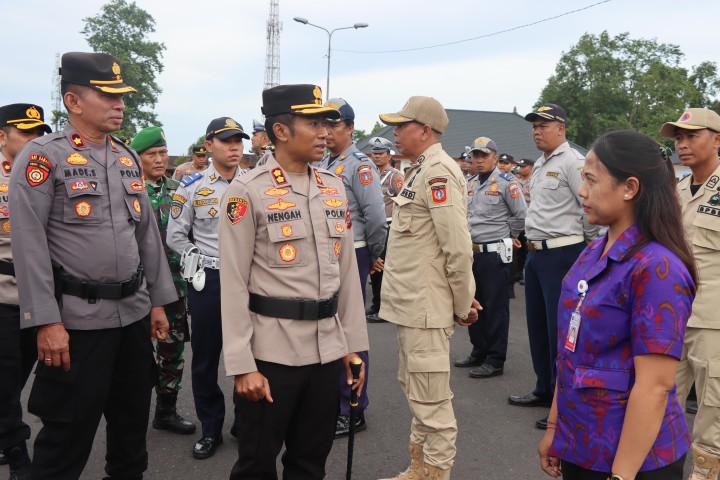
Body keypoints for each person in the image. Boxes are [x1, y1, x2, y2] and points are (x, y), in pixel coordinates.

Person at [9, 51, 176, 480]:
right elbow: (28, 247)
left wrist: (158, 302)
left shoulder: (125, 156)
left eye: (121, 96)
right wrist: (45, 322)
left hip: (133, 318)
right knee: (66, 437)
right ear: (74, 101)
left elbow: (146, 238)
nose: (119, 104)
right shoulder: (43, 157)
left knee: (130, 428)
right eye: (108, 95)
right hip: (77, 324)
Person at [218, 83, 369, 479]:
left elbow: (348, 274)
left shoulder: (333, 187)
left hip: (326, 350)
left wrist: (352, 347)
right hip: (271, 354)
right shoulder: (246, 191)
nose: (324, 132)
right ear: (281, 131)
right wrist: (241, 363)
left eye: (327, 123)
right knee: (256, 462)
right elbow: (232, 281)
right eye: (314, 123)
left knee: (310, 461)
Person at [538, 130, 697, 480]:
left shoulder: (658, 268)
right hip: (583, 443)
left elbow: (654, 386)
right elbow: (570, 352)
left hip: (633, 458)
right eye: (583, 179)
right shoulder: (594, 251)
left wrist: (622, 475)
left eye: (591, 180)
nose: (582, 191)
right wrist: (555, 429)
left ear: (630, 188)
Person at [377, 96, 479, 480]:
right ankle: (418, 469)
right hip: (414, 305)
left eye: (402, 126)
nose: (395, 133)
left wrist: (462, 301)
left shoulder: (438, 172)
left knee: (432, 401)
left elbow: (456, 246)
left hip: (425, 308)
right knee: (418, 392)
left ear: (425, 130)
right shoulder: (420, 170)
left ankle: (435, 474)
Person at [509, 103, 600, 432]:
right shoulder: (540, 165)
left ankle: (563, 401)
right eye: (534, 125)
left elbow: (590, 208)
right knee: (537, 326)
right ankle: (544, 388)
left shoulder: (574, 162)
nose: (536, 130)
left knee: (561, 331)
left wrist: (585, 252)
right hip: (536, 255)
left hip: (563, 254)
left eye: (543, 125)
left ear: (561, 128)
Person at [167, 116, 249, 459]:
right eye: (227, 141)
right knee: (205, 359)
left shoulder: (256, 182)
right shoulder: (191, 186)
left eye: (239, 142)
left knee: (252, 356)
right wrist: (195, 258)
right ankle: (211, 428)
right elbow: (174, 235)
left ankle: (245, 423)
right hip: (210, 280)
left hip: (250, 280)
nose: (234, 148)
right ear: (209, 144)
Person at [319, 97, 387, 437]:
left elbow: (376, 217)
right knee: (330, 326)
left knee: (350, 330)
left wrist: (374, 253)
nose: (326, 131)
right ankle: (336, 399)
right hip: (328, 254)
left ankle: (353, 407)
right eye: (323, 124)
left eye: (334, 124)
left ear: (349, 128)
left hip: (354, 251)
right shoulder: (325, 162)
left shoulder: (359, 165)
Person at [662, 107, 720, 479]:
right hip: (672, 314)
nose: (683, 145)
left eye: (692, 136)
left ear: (717, 139)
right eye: (679, 138)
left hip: (713, 322)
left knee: (712, 415)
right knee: (662, 402)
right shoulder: (677, 189)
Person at [130, 126, 196, 436]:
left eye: (163, 153)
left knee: (173, 350)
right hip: (138, 289)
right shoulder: (129, 189)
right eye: (151, 154)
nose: (159, 159)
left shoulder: (179, 189)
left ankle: (165, 411)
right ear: (138, 157)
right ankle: (131, 413)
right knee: (137, 354)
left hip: (175, 287)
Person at [0, 103, 51, 479]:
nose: (37, 140)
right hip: (2, 294)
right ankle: (18, 455)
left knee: (19, 376)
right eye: (27, 133)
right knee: (5, 379)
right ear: (3, 136)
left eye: (40, 133)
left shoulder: (45, 174)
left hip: (40, 296)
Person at [454, 136, 526, 379]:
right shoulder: (471, 182)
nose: (479, 160)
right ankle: (479, 350)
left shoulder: (507, 183)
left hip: (495, 252)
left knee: (495, 307)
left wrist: (509, 236)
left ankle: (495, 358)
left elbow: (521, 216)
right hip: (471, 253)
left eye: (485, 155)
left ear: (495, 158)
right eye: (476, 155)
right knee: (472, 302)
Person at [366, 136, 403, 324]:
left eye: (381, 153)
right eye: (374, 153)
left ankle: (383, 309)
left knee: (383, 269)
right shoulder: (369, 173)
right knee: (374, 270)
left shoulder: (395, 176)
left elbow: (405, 202)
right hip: (372, 227)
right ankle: (375, 305)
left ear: (389, 155)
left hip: (388, 227)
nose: (377, 157)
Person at [510, 157, 535, 286]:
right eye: (519, 166)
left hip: (530, 219)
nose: (520, 169)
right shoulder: (516, 181)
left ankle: (525, 273)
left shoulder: (534, 181)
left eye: (523, 166)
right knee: (517, 248)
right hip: (518, 219)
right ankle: (517, 272)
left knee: (527, 248)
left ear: (531, 167)